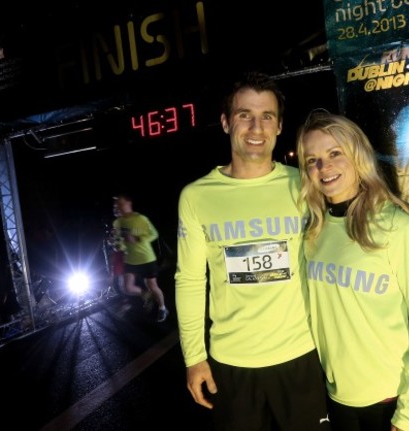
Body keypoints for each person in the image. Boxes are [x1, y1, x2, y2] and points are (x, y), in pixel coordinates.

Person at [175, 71, 330, 430]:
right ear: (227, 122)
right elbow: (190, 281)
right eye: (245, 115)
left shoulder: (305, 185)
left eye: (267, 116)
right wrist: (194, 358)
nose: (256, 127)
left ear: (279, 127)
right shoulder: (196, 197)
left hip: (302, 356)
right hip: (231, 365)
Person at [295, 109, 409, 431]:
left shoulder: (398, 229)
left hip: (394, 405)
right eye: (312, 160)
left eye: (335, 153)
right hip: (340, 402)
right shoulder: (312, 235)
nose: (324, 167)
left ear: (357, 155)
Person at [112, 193, 169, 323]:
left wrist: (137, 238)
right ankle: (145, 295)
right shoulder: (117, 223)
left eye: (120, 203)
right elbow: (119, 242)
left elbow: (154, 234)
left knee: (153, 286)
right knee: (127, 288)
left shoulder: (140, 219)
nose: (117, 207)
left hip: (146, 258)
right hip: (130, 260)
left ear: (128, 203)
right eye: (116, 205)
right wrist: (116, 244)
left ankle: (162, 307)